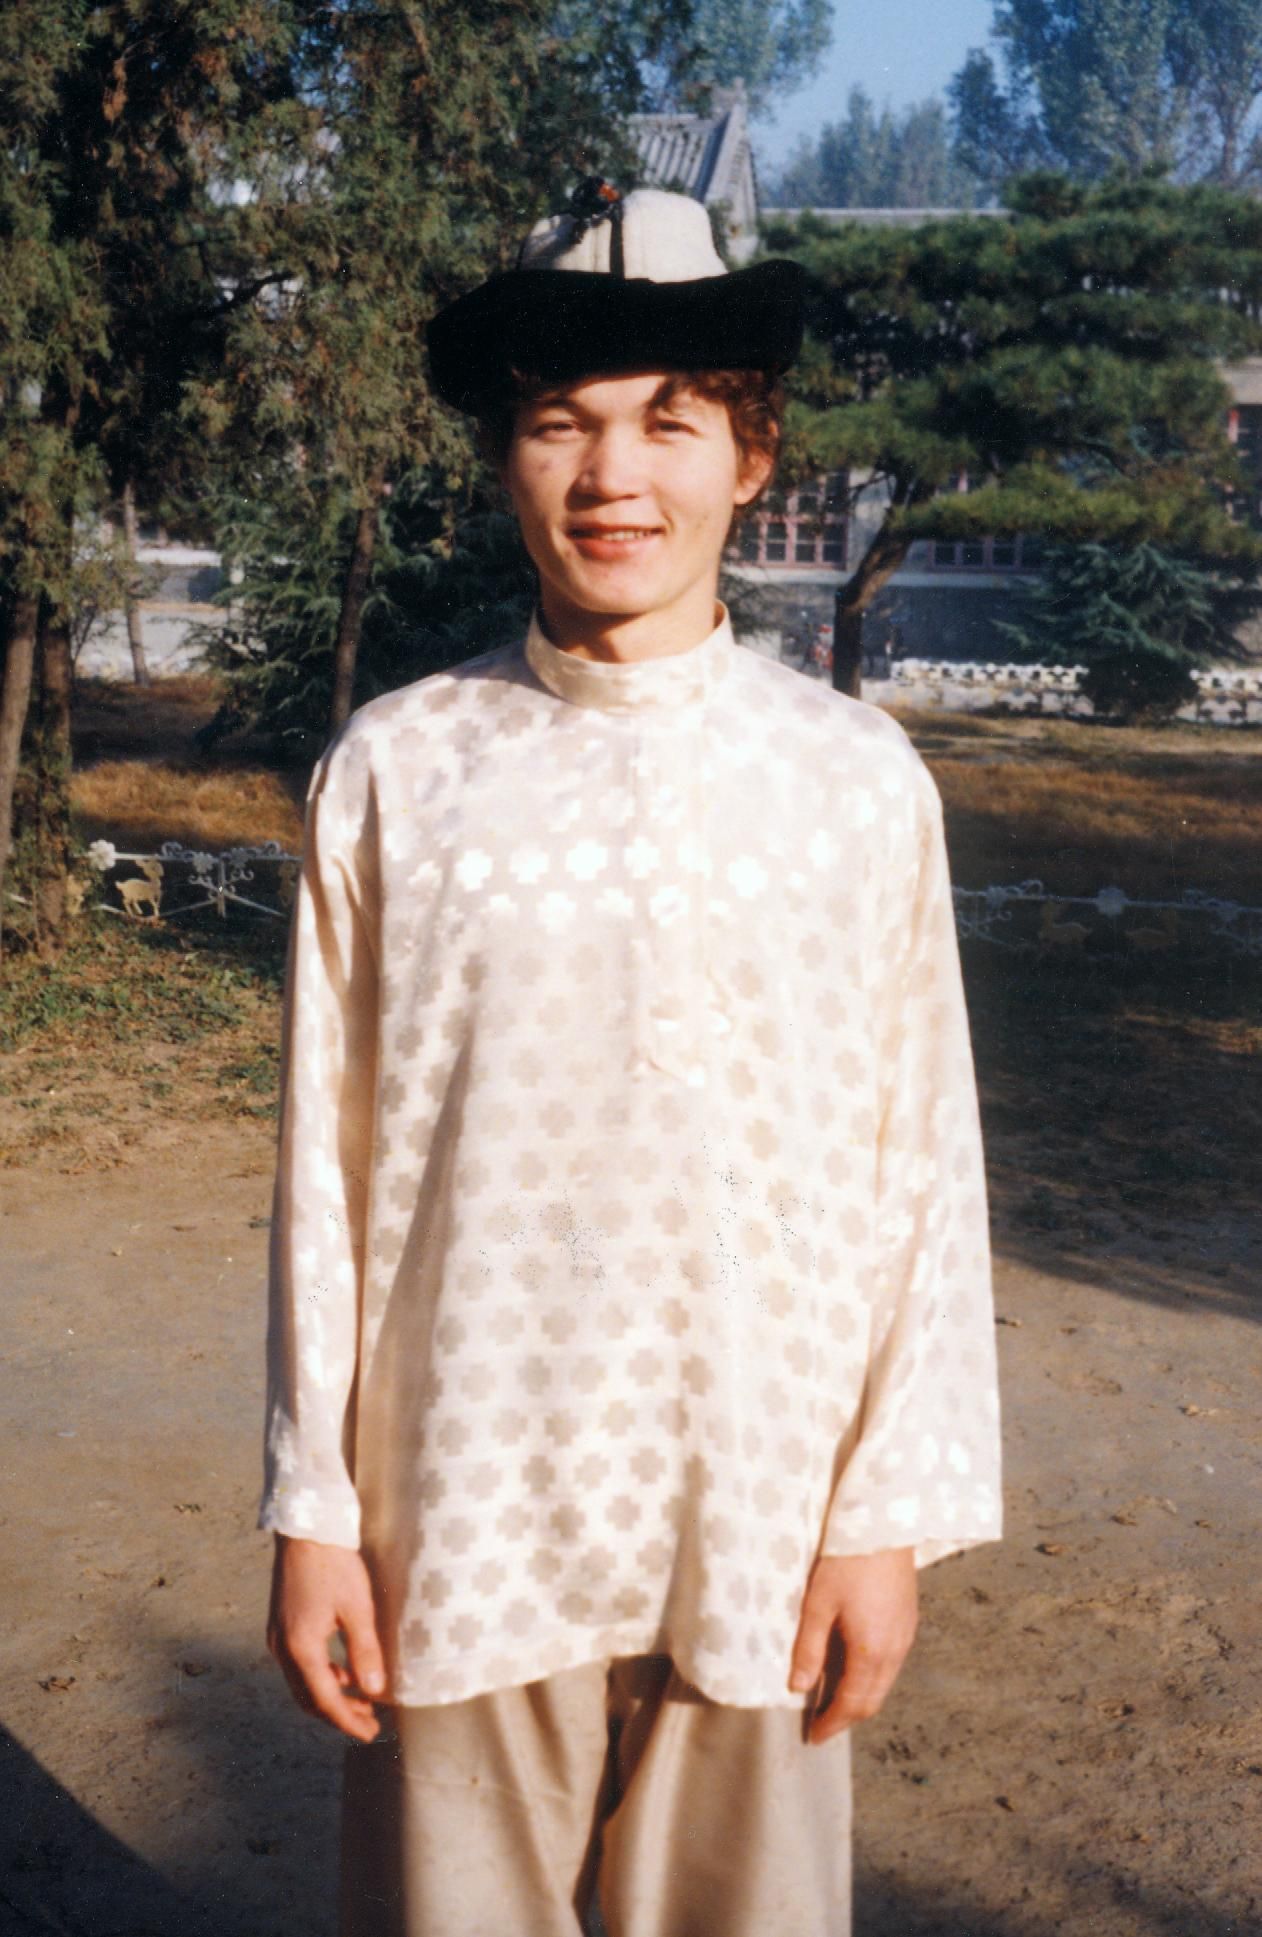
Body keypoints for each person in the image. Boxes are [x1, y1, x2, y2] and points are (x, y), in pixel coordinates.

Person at [261, 182, 1002, 1937]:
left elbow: (918, 1168)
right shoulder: (398, 771)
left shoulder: (850, 782)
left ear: (753, 457)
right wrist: (313, 1509)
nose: (612, 476)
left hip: (755, 1499)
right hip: (459, 1498)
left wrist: (877, 1515)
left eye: (669, 422)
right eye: (560, 423)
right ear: (503, 458)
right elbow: (324, 1175)